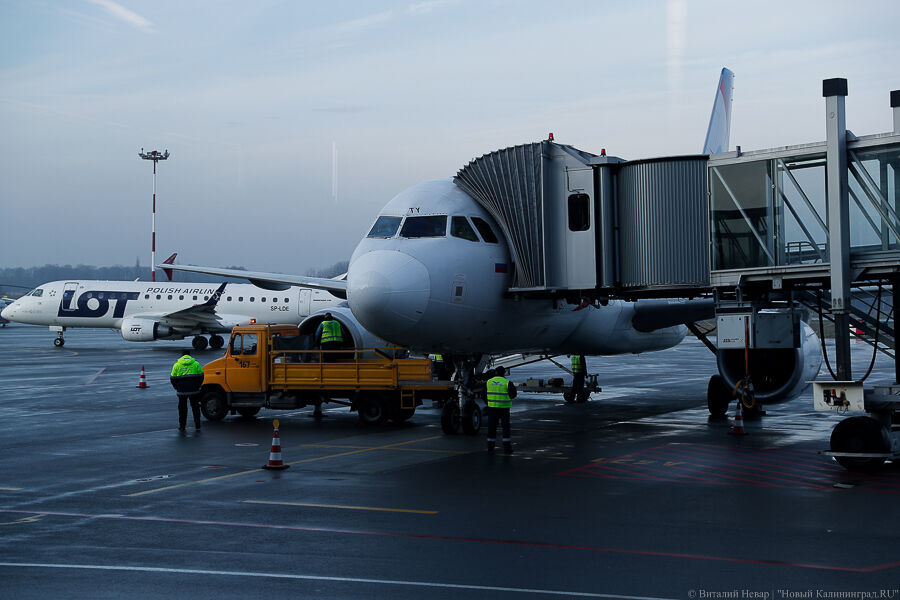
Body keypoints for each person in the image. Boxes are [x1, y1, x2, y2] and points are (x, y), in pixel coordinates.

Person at [170, 350, 204, 431]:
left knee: (182, 408)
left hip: (181, 391)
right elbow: (201, 376)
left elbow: (172, 378)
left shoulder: (177, 364)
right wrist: (198, 385)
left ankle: (182, 426)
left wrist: (176, 387)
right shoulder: (196, 364)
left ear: (182, 355)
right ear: (190, 355)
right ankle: (197, 425)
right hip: (194, 390)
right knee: (195, 407)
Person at [485, 365, 517, 454]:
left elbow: (483, 394)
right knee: (505, 428)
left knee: (491, 427)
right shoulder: (507, 382)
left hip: (492, 408)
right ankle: (507, 448)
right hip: (504, 408)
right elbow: (513, 394)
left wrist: (489, 402)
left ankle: (490, 447)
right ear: (504, 373)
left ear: (495, 372)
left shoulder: (489, 382)